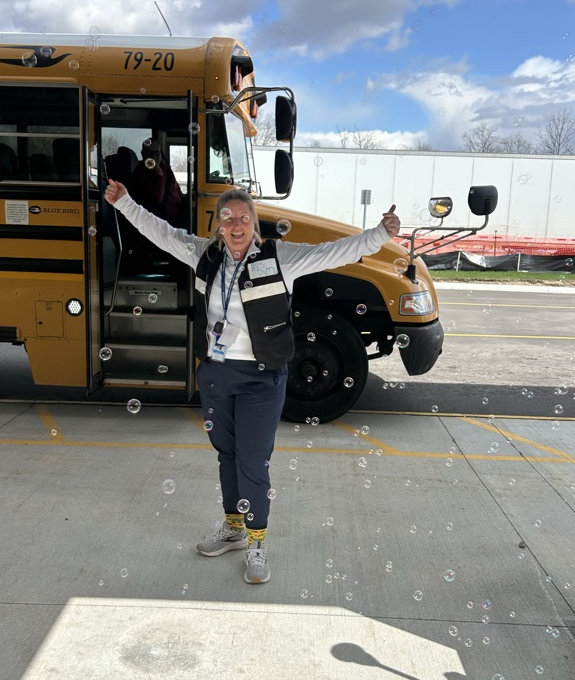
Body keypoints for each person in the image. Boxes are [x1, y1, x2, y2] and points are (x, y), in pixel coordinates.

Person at [104, 180, 400, 585]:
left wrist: (379, 235)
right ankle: (233, 528)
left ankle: (257, 543)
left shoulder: (280, 259)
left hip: (262, 378)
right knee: (226, 453)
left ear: (254, 224)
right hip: (216, 374)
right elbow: (160, 231)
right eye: (228, 218)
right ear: (219, 225)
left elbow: (333, 252)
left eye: (244, 217)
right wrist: (125, 202)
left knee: (252, 459)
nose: (237, 224)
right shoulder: (204, 255)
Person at [127, 138, 185, 225]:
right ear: (143, 154)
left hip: (178, 212)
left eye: (157, 153)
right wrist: (158, 174)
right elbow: (157, 199)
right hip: (163, 220)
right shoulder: (140, 173)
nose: (153, 157)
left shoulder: (166, 169)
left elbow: (177, 191)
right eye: (149, 153)